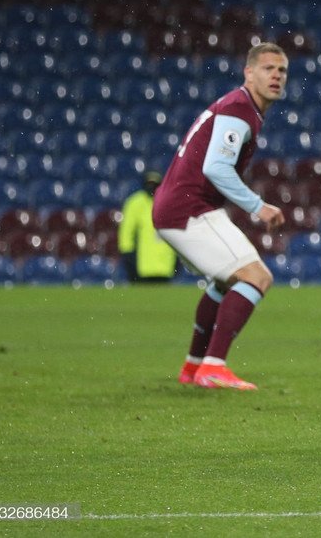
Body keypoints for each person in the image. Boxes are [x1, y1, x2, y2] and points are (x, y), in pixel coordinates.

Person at [153, 43, 289, 391]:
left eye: (282, 70)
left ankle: (194, 365)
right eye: (268, 68)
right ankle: (214, 367)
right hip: (189, 208)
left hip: (181, 206)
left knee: (224, 282)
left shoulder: (239, 108)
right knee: (257, 277)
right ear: (249, 72)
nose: (276, 75)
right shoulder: (238, 108)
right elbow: (216, 167)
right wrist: (258, 206)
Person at [117, 169, 178, 283]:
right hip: (142, 268)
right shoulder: (135, 202)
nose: (152, 188)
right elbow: (126, 234)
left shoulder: (169, 201)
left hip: (165, 267)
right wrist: (129, 258)